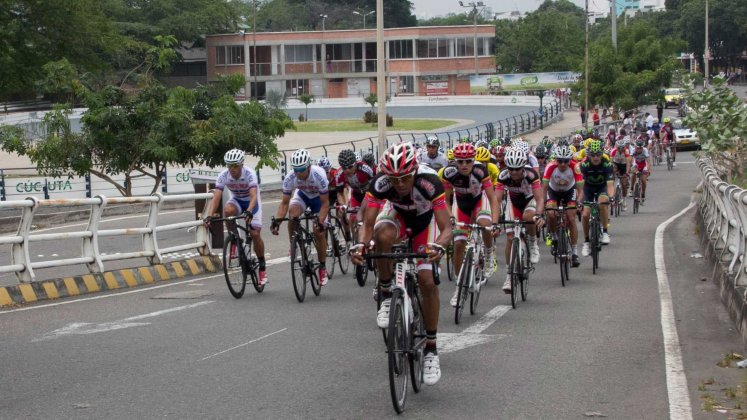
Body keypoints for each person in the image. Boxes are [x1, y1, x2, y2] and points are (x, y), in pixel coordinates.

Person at [351, 142, 452, 386]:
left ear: (415, 171)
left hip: (424, 223)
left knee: (427, 281)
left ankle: (431, 348)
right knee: (381, 235)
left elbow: (447, 227)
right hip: (396, 215)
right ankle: (386, 293)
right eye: (394, 179)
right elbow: (367, 222)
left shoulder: (430, 183)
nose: (399, 184)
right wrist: (361, 245)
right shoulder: (381, 183)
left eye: (405, 178)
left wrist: (439, 245)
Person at [440, 143, 500, 306]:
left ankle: (488, 254)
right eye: (460, 162)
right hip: (460, 205)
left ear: (474, 161)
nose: (464, 165)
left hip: (479, 202)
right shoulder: (448, 173)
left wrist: (495, 223)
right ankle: (459, 287)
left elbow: (493, 198)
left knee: (484, 223)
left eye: (468, 161)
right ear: (455, 162)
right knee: (459, 243)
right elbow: (445, 200)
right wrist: (451, 216)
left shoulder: (481, 170)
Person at [205, 149, 268, 284]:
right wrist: (209, 216)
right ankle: (234, 240)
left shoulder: (249, 174)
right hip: (238, 201)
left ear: (241, 164)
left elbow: (253, 197)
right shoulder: (223, 175)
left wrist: (249, 211)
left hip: (252, 203)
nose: (232, 169)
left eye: (235, 166)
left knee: (255, 234)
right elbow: (216, 198)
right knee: (227, 211)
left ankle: (262, 268)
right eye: (229, 166)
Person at [271, 149, 331, 285]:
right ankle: (293, 243)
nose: (298, 172)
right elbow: (284, 203)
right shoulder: (290, 177)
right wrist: (277, 222)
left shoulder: (319, 175)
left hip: (318, 200)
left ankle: (322, 267)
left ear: (308, 166)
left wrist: (320, 221)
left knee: (319, 232)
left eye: (302, 169)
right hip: (302, 195)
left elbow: (325, 203)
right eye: (296, 169)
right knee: (292, 214)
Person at [495, 149, 545, 293]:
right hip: (514, 203)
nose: (515, 172)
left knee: (528, 217)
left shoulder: (531, 174)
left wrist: (539, 215)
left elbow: (540, 198)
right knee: (510, 237)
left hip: (530, 200)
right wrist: (496, 221)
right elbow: (497, 200)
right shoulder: (503, 175)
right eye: (511, 169)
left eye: (518, 169)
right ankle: (509, 275)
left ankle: (532, 242)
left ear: (523, 166)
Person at [542, 145, 584, 267]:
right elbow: (544, 188)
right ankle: (554, 237)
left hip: (569, 191)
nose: (563, 164)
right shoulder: (550, 166)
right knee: (550, 213)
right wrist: (543, 203)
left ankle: (575, 252)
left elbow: (581, 189)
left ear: (570, 160)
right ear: (556, 160)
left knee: (571, 218)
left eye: (566, 161)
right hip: (553, 191)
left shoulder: (575, 167)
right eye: (560, 161)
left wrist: (579, 202)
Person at [579, 140, 614, 257]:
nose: (595, 157)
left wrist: (611, 197)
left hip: (601, 187)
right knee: (585, 215)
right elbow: (580, 184)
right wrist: (579, 200)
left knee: (603, 203)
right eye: (592, 155)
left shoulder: (607, 164)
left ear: (602, 154)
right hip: (588, 189)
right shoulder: (584, 165)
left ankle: (605, 232)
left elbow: (610, 185)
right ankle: (586, 241)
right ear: (588, 155)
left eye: (598, 154)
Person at [335, 149, 375, 232]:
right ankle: (355, 241)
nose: (347, 170)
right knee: (353, 219)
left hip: (369, 194)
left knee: (370, 218)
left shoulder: (364, 169)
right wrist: (343, 205)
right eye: (344, 168)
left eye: (350, 167)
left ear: (355, 163)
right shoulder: (339, 174)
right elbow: (340, 192)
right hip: (356, 195)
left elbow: (374, 187)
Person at [610, 139, 631, 211]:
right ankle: (613, 197)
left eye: (622, 147)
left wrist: (627, 173)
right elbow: (610, 163)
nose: (621, 149)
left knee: (624, 184)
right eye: (619, 147)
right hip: (616, 164)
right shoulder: (613, 151)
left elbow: (628, 164)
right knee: (612, 170)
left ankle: (624, 200)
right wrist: (610, 173)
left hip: (624, 166)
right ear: (617, 147)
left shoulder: (626, 151)